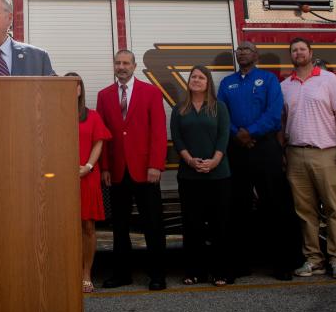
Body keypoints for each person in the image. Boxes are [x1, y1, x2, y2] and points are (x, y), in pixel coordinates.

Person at [217, 41, 298, 281]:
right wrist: (237, 135)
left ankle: (282, 264)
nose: (242, 52)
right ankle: (240, 264)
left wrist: (250, 132)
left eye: (247, 49)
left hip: (265, 147)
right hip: (237, 150)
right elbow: (222, 114)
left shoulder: (269, 80)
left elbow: (274, 114)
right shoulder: (227, 83)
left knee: (274, 204)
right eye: (239, 50)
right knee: (238, 206)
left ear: (256, 55)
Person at [280, 37, 336, 280]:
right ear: (290, 55)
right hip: (295, 154)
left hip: (326, 153)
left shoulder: (328, 79)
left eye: (302, 49)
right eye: (294, 50)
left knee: (334, 208)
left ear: (311, 53)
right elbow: (282, 123)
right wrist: (283, 152)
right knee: (305, 211)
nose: (298, 53)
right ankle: (313, 259)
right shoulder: (285, 85)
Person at [97, 50, 168, 291]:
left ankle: (157, 275)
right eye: (118, 63)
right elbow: (103, 136)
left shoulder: (151, 92)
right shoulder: (104, 95)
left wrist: (156, 165)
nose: (122, 66)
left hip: (146, 171)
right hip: (117, 172)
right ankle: (121, 274)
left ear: (134, 66)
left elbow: (158, 132)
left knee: (153, 225)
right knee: (119, 226)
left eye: (126, 63)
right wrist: (105, 167)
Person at [171, 65, 232, 286]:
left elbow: (224, 136)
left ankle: (220, 272)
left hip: (218, 175)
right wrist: (188, 160)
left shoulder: (219, 107)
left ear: (208, 83)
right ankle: (194, 271)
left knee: (219, 224)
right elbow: (177, 138)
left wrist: (215, 161)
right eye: (193, 77)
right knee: (192, 225)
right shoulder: (180, 109)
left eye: (201, 77)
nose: (196, 80)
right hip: (189, 176)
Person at [64, 72, 111, 294]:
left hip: (87, 176)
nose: (72, 89)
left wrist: (88, 167)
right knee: (62, 227)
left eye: (76, 85)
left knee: (88, 226)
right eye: (67, 85)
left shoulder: (92, 116)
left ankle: (86, 274)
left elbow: (98, 143)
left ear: (81, 90)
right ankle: (67, 272)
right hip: (62, 179)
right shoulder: (53, 116)